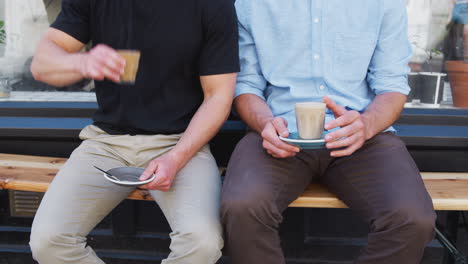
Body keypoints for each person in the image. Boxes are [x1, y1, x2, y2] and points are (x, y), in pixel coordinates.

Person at [221, 0, 436, 263]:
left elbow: (392, 85)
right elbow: (246, 85)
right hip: (280, 132)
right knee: (242, 207)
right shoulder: (251, 4)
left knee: (412, 218)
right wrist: (265, 122)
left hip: (361, 134)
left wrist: (366, 124)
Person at [28, 0, 239, 263]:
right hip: (106, 142)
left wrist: (175, 158)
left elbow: (218, 96)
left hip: (181, 144)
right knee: (49, 241)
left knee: (202, 242)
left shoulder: (213, 5)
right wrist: (82, 62)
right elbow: (42, 65)